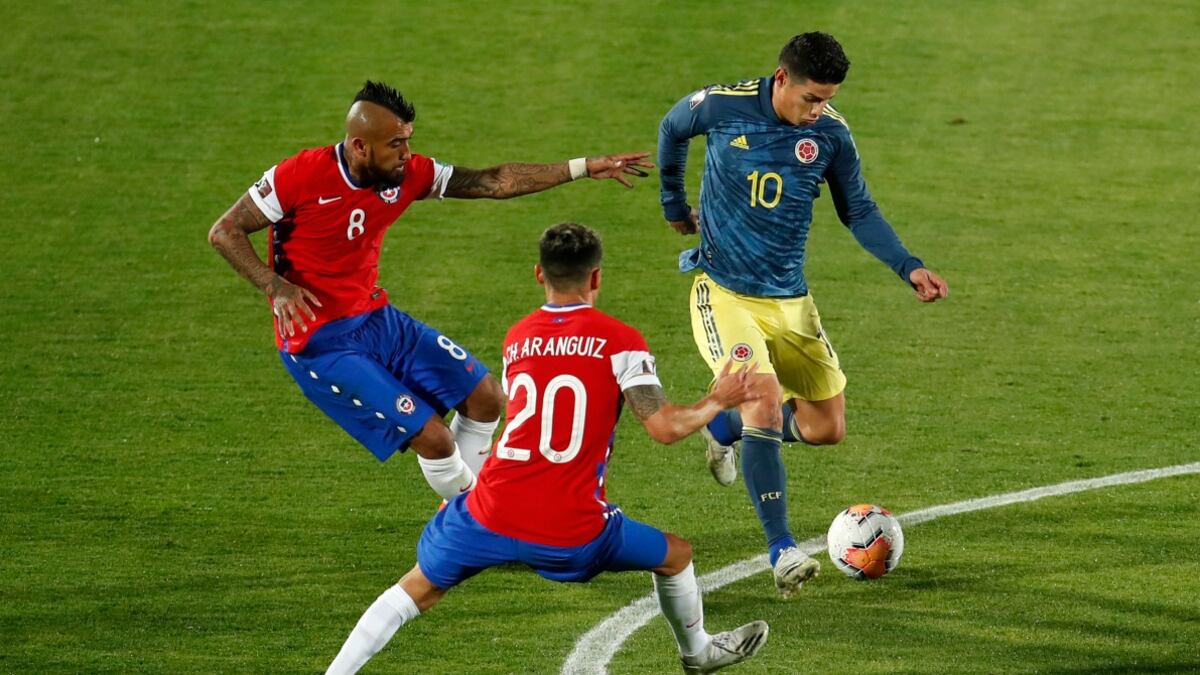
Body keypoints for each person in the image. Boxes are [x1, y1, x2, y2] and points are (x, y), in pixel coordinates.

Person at [324, 223, 769, 674]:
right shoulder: (621, 341)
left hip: (489, 510)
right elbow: (664, 427)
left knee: (415, 590)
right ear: (596, 276)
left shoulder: (518, 337)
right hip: (571, 528)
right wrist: (718, 400)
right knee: (676, 555)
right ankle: (697, 653)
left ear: (540, 273)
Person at [208, 81, 653, 501]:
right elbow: (225, 231)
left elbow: (494, 181)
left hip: (375, 318)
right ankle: (478, 520)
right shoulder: (299, 175)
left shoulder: (407, 174)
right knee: (436, 440)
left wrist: (582, 167)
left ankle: (466, 515)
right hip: (319, 340)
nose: (408, 154)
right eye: (395, 144)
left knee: (486, 398)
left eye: (408, 140)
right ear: (360, 146)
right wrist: (275, 286)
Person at [657, 32, 949, 598]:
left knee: (825, 428)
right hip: (724, 292)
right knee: (764, 401)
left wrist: (908, 266)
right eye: (811, 98)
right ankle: (782, 550)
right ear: (781, 79)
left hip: (791, 300)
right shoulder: (722, 106)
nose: (817, 110)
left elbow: (858, 209)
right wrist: (673, 204)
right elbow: (673, 128)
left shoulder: (831, 135)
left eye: (827, 100)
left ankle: (723, 428)